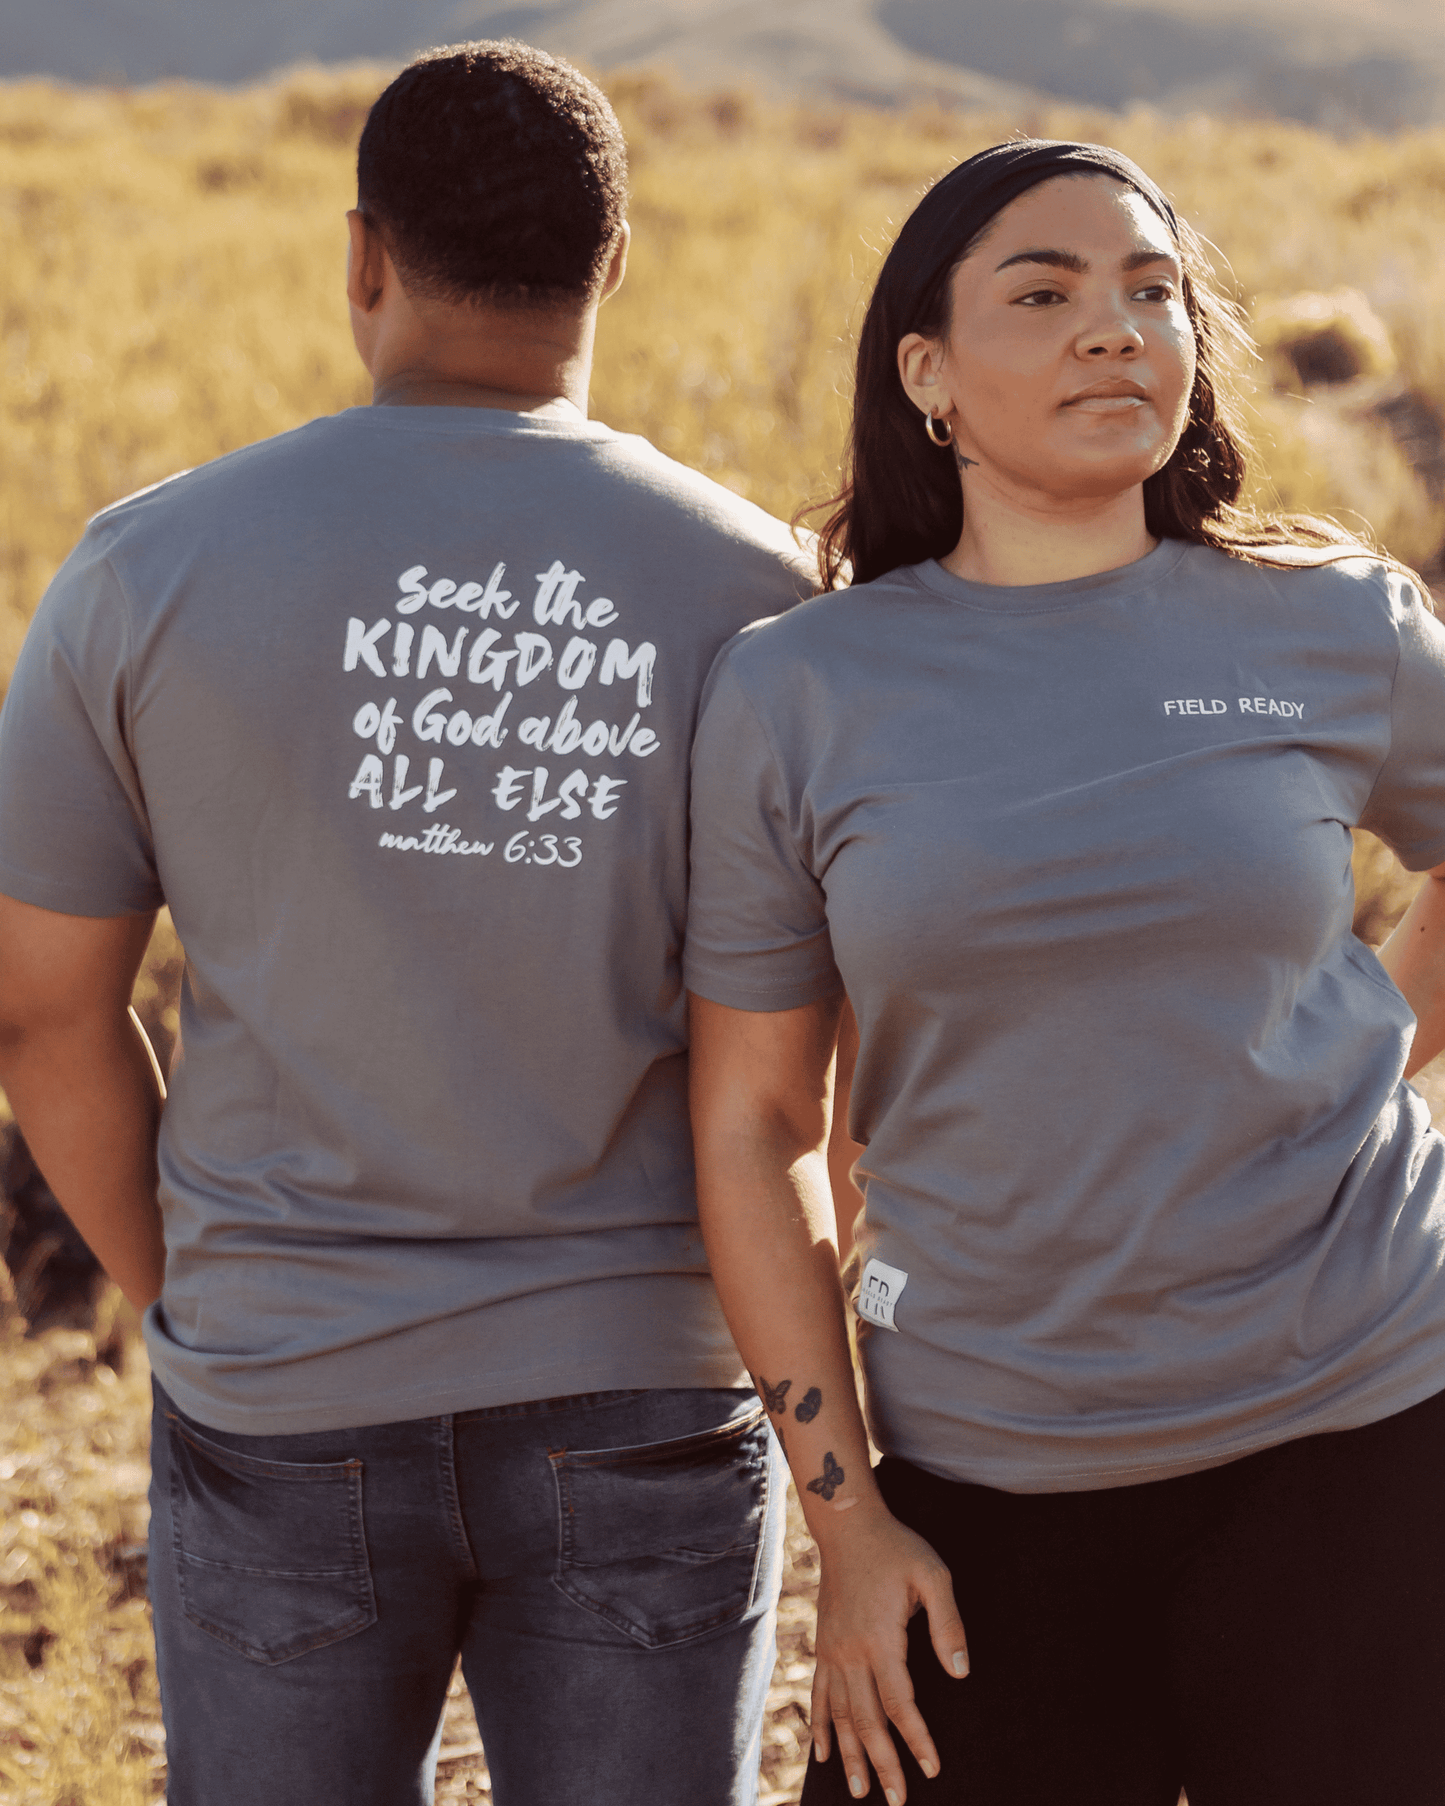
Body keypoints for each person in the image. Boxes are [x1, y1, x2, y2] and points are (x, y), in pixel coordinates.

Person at [0, 42, 813, 1806]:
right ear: (615, 262)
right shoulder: (765, 595)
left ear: (362, 257)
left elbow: (44, 1012)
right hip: (649, 1384)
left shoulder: (143, 569)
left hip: (286, 1384)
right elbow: (819, 1053)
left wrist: (191, 1288)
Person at [683, 139, 1445, 1806]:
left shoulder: (1332, 619)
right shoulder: (799, 691)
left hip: (1366, 1433)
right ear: (928, 373)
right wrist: (850, 1521)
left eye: (1152, 290)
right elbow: (753, 1124)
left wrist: (1370, 1051)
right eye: (1046, 292)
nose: (1117, 328)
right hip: (987, 1476)